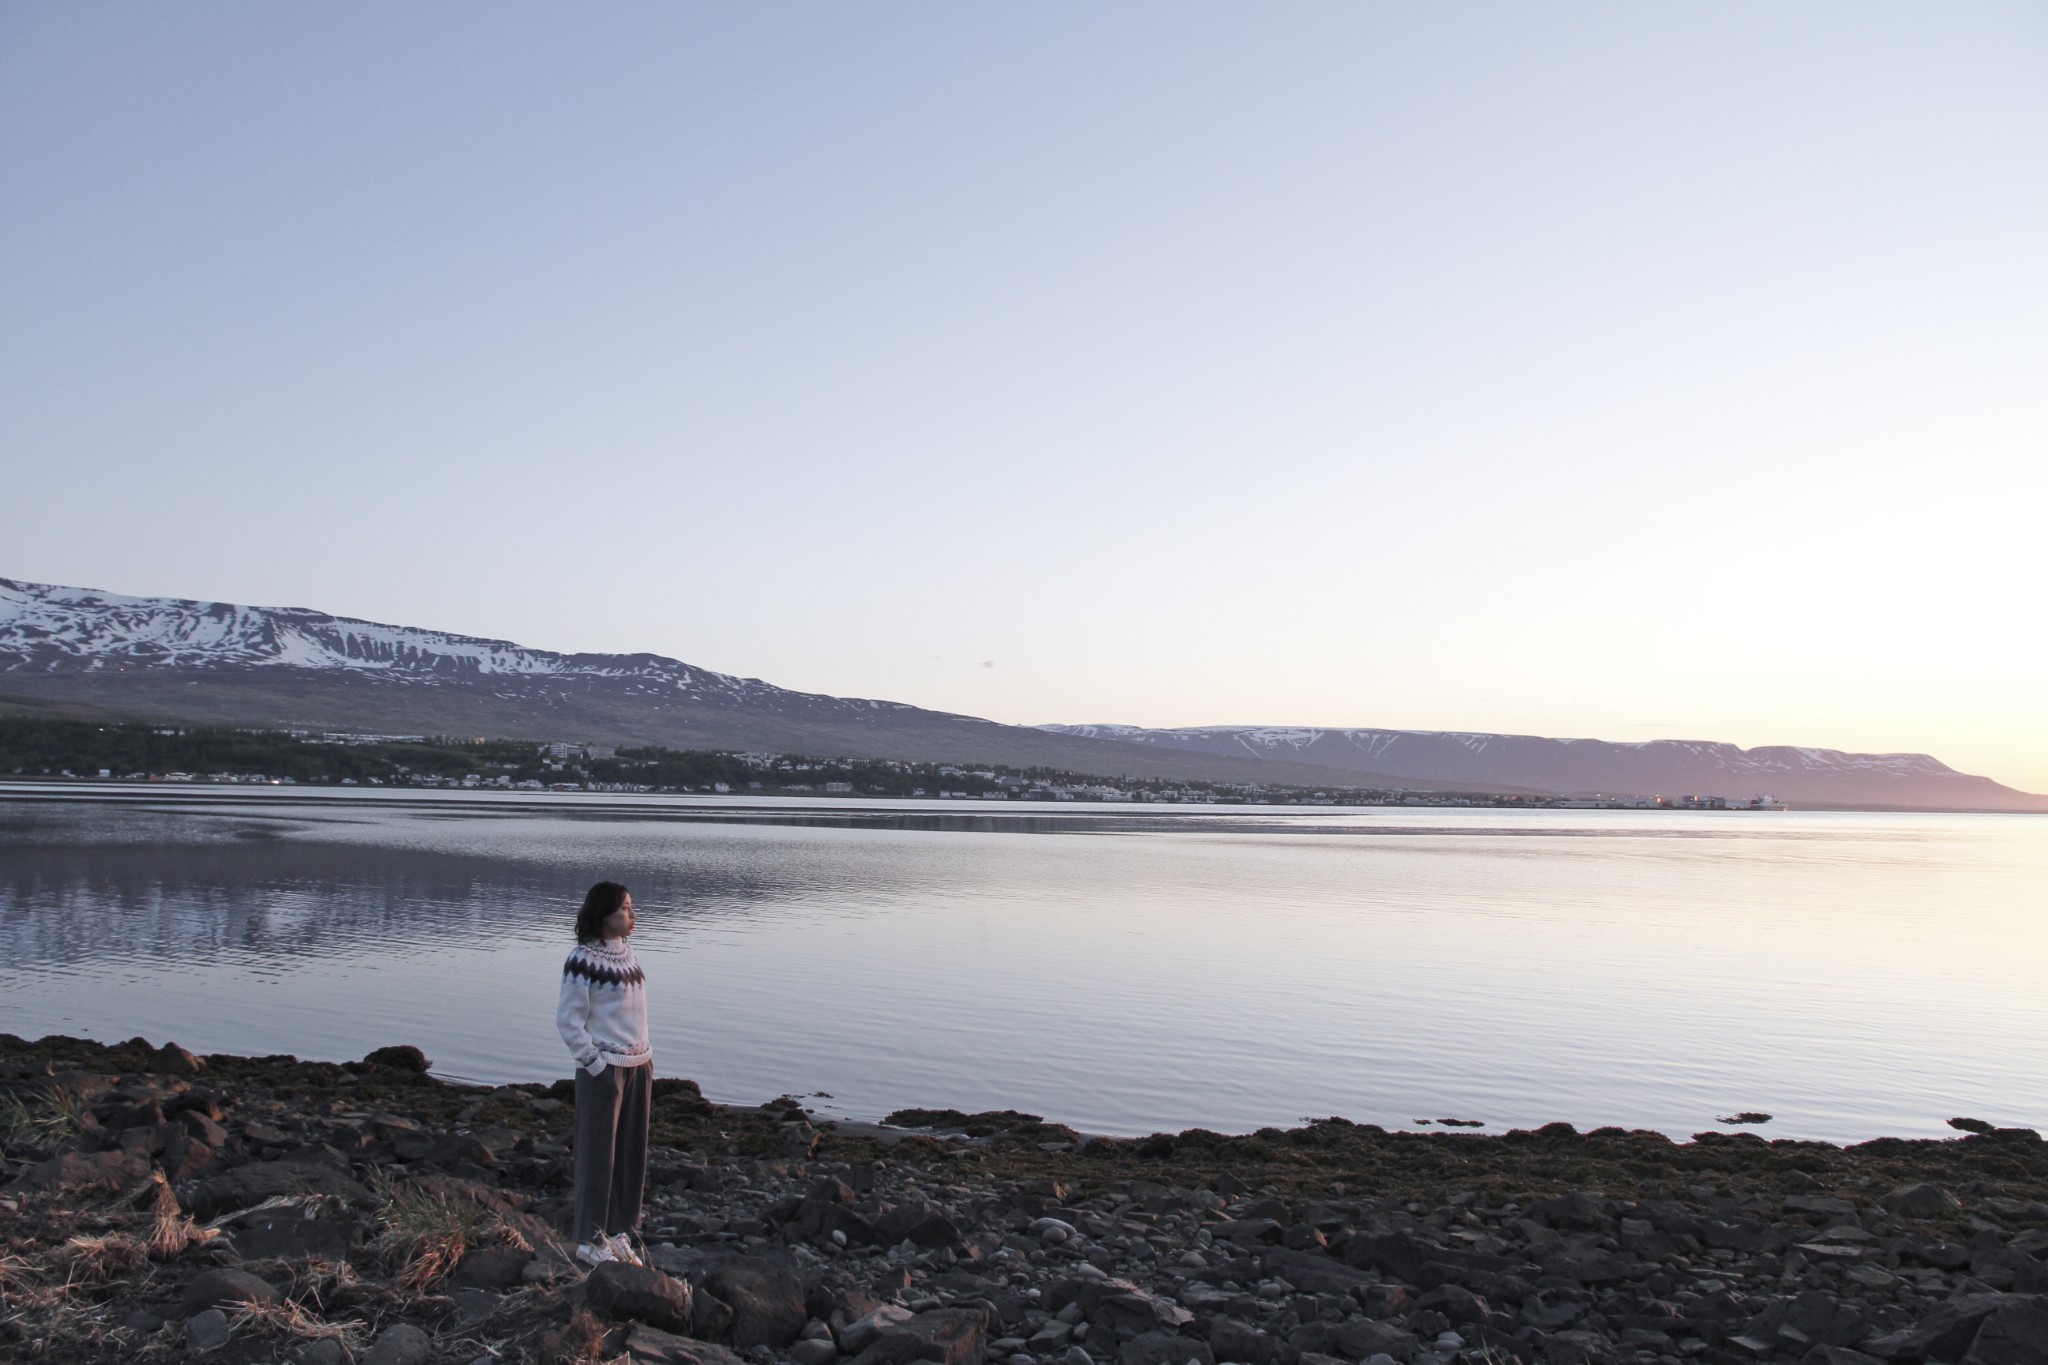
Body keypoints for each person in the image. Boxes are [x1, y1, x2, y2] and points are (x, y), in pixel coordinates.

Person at [556, 880, 652, 1268]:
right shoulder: (582, 960)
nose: (632, 915)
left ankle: (618, 1234)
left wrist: (644, 1058)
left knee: (630, 1156)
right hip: (604, 1071)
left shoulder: (628, 955)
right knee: (598, 1156)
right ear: (603, 913)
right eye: (625, 908)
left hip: (638, 1067)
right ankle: (590, 1240)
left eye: (631, 907)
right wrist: (593, 1063)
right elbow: (568, 1020)